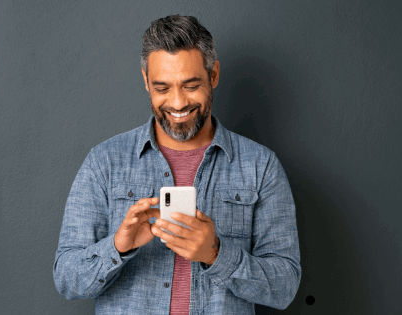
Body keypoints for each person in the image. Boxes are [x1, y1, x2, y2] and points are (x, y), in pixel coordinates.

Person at [53, 14, 301, 314]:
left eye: (191, 85)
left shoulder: (261, 166)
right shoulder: (104, 163)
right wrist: (118, 247)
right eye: (162, 88)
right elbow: (66, 279)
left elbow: (285, 287)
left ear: (214, 75)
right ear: (146, 81)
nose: (178, 103)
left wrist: (215, 254)